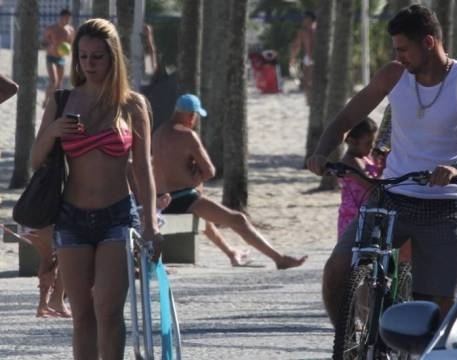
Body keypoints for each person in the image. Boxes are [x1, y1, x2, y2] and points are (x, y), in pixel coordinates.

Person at [307, 5, 457, 326]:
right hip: (390, 198)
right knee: (337, 268)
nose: (399, 56)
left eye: (403, 49)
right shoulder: (394, 74)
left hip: (443, 206)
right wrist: (320, 152)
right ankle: (349, 343)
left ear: (428, 42)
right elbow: (347, 117)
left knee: (437, 307)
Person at [31, 18, 161, 359]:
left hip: (116, 216)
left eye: (97, 57)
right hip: (71, 217)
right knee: (83, 315)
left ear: (113, 57)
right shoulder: (63, 101)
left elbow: (144, 169)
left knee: (108, 308)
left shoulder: (133, 105)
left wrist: (150, 224)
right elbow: (35, 159)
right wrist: (54, 131)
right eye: (83, 57)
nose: (89, 64)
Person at [152, 93, 308, 270]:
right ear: (191, 115)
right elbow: (210, 171)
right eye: (196, 117)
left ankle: (231, 253)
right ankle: (279, 258)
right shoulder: (188, 136)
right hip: (183, 198)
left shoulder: (158, 134)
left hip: (161, 200)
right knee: (238, 219)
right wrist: (196, 177)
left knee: (206, 218)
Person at [337, 117, 381, 237]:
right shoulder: (350, 162)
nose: (371, 147)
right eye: (367, 143)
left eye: (373, 142)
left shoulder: (366, 158)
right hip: (354, 217)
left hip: (368, 214)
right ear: (351, 141)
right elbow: (370, 185)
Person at [21, 226, 71, 318]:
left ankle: (43, 305)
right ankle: (57, 301)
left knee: (47, 258)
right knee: (67, 255)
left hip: (27, 221)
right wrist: (54, 270)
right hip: (46, 223)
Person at [42, 9, 75, 108]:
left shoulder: (71, 30)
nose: (67, 21)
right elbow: (43, 43)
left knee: (59, 84)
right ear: (61, 18)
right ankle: (45, 101)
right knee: (54, 81)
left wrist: (68, 49)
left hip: (61, 59)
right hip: (51, 57)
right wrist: (48, 46)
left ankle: (54, 104)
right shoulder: (51, 29)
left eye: (69, 19)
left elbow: (71, 44)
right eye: (65, 18)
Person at [289, 10, 316, 105]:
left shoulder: (311, 30)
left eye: (305, 18)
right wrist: (292, 58)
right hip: (309, 59)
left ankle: (310, 102)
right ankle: (309, 103)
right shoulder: (305, 31)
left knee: (309, 83)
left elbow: (296, 46)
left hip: (314, 59)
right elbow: (296, 46)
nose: (303, 20)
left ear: (309, 19)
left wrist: (292, 58)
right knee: (307, 82)